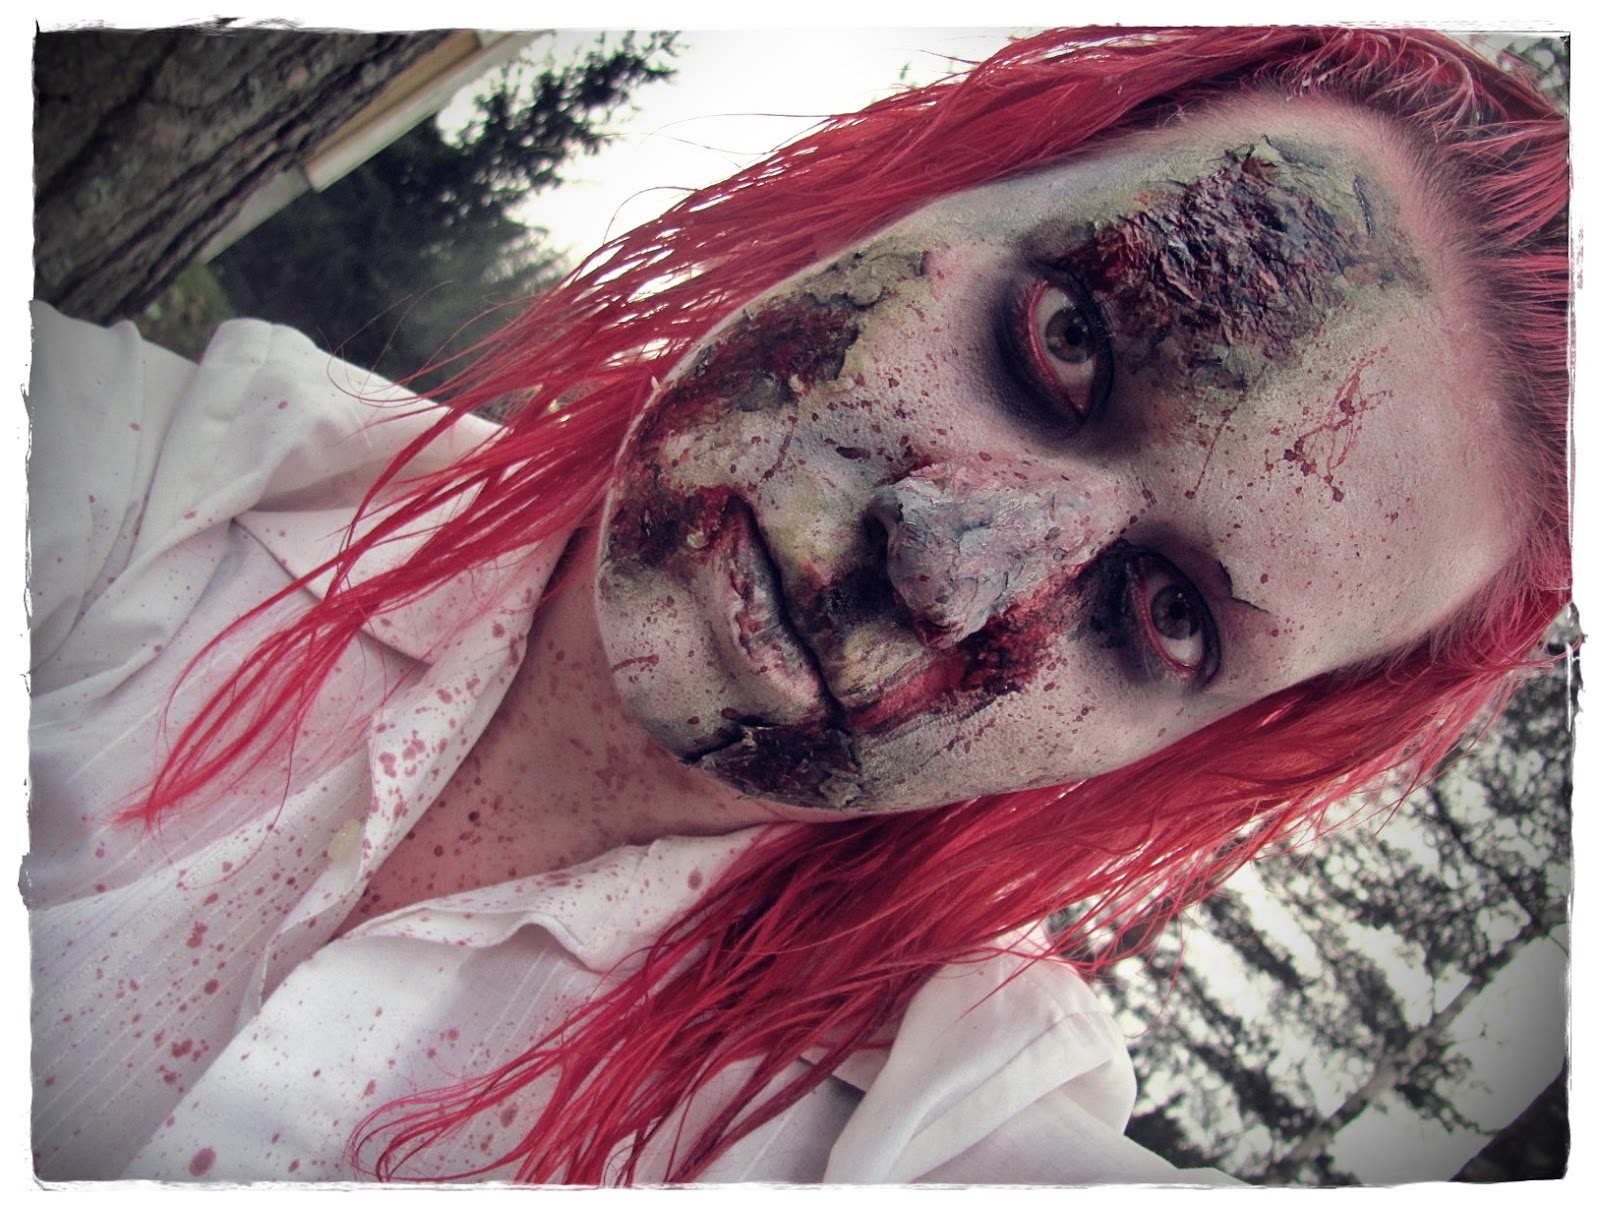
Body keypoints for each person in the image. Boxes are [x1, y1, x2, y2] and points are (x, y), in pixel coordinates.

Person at [26, 26, 1569, 1184]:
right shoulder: (155, 480)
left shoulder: (920, 1132)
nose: (948, 565)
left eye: (1165, 616)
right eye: (1066, 341)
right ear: (935, 192)